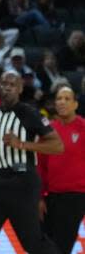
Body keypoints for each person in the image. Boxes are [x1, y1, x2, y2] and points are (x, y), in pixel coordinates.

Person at [0, 71, 63, 254]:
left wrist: (21, 144)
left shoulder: (29, 113)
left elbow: (57, 145)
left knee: (32, 241)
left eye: (12, 84)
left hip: (22, 182)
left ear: (20, 89)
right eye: (4, 84)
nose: (7, 88)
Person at [38, 85, 85, 254]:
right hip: (50, 197)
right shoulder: (48, 131)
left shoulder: (83, 128)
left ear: (75, 104)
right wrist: (39, 197)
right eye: (59, 99)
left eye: (67, 99)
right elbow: (41, 167)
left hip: (75, 197)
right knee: (45, 245)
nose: (62, 102)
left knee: (61, 246)